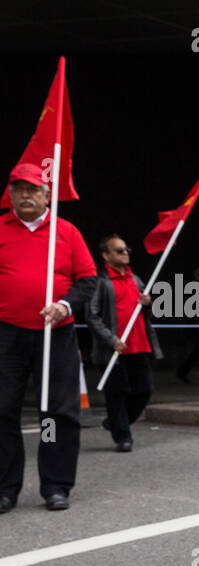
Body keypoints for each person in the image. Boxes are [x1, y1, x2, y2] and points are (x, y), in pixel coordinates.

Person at [0, 162, 98, 513]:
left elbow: (88, 280)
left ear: (46, 196)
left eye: (33, 190)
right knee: (3, 410)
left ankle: (55, 484)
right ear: (10, 194)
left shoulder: (66, 232)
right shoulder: (1, 228)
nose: (26, 195)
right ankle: (5, 487)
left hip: (54, 334)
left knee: (55, 415)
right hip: (7, 336)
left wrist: (64, 306)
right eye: (19, 189)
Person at [86, 234, 161, 453]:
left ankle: (116, 421)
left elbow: (146, 311)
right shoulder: (100, 282)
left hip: (138, 344)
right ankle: (123, 436)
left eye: (126, 249)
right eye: (119, 250)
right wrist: (111, 340)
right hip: (114, 350)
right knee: (116, 393)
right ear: (105, 255)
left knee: (144, 389)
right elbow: (92, 316)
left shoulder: (135, 279)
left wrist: (147, 303)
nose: (125, 252)